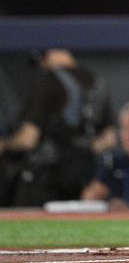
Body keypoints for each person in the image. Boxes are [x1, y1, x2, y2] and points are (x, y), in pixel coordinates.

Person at [0, 49, 115, 207]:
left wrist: (6, 144)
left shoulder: (47, 81)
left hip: (46, 176)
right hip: (84, 174)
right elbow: (109, 139)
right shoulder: (97, 82)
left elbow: (29, 139)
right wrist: (83, 151)